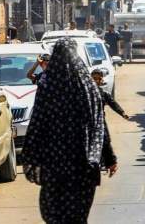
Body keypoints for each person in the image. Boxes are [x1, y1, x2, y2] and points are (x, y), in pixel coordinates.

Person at [21, 38, 117, 223]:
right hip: (83, 167)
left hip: (54, 165)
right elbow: (100, 126)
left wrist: (31, 156)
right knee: (78, 216)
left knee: (55, 215)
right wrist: (110, 158)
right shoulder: (90, 89)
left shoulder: (47, 88)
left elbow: (36, 124)